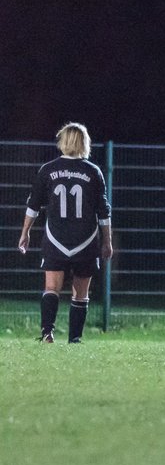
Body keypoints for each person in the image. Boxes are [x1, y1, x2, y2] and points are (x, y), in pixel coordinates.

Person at [17, 123, 114, 343]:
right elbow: (103, 211)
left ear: (63, 141)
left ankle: (47, 333)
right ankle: (75, 339)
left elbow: (33, 206)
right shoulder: (93, 171)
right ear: (84, 143)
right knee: (81, 293)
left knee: (51, 287)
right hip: (85, 240)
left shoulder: (48, 170)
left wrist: (25, 232)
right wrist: (107, 241)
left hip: (55, 239)